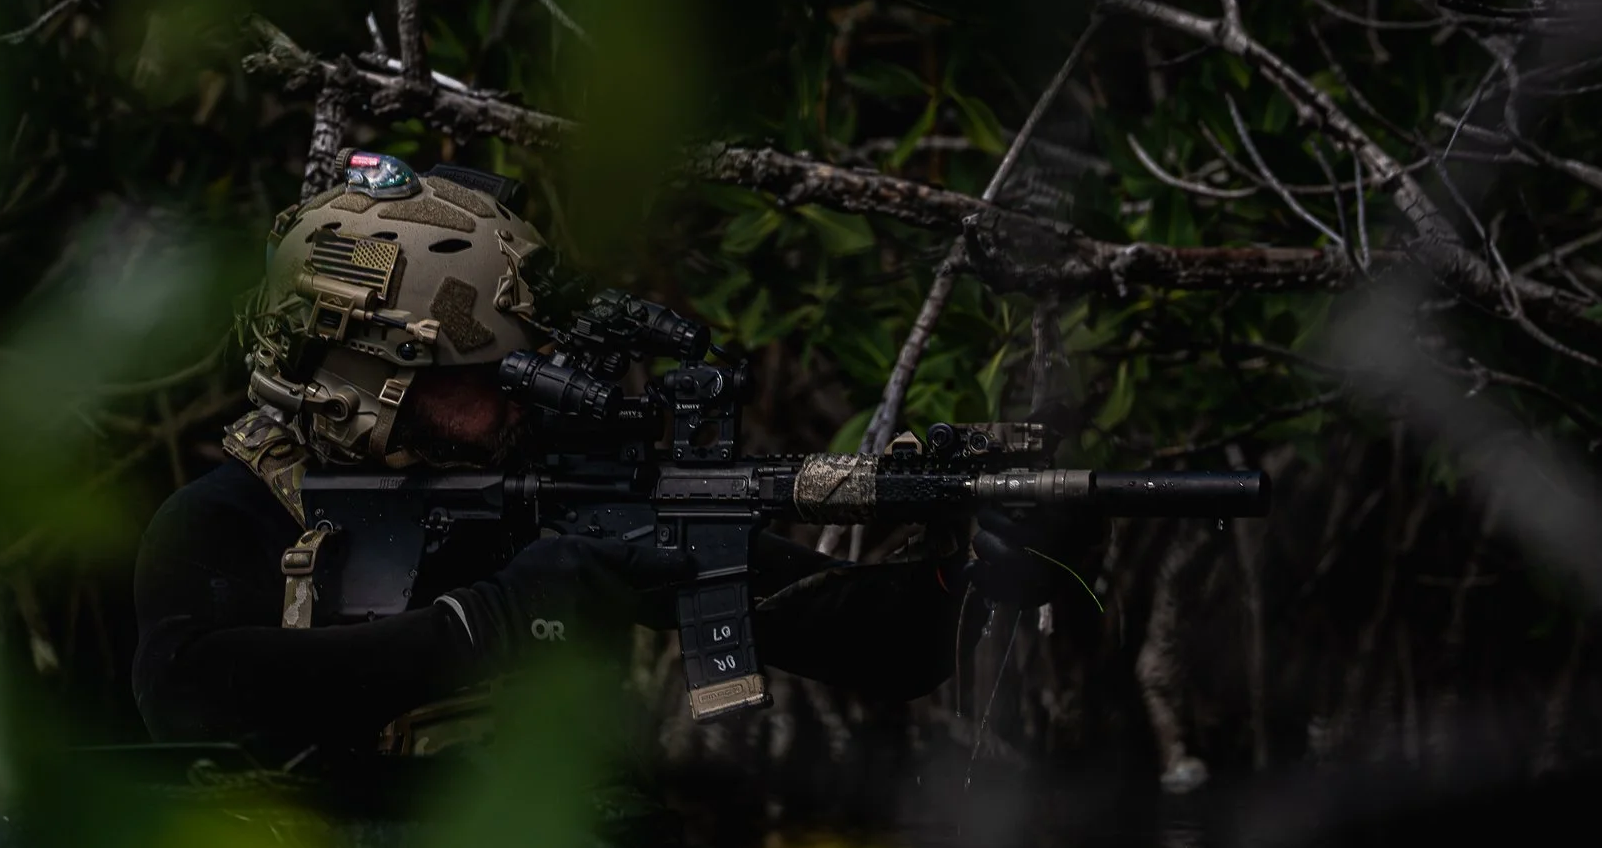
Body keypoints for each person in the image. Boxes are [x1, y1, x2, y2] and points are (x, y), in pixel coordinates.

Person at [130, 154, 1033, 760]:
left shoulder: (560, 492)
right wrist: (498, 618)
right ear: (375, 377)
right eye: (489, 373)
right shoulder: (226, 518)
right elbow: (188, 701)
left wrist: (969, 567)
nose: (525, 390)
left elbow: (886, 646)